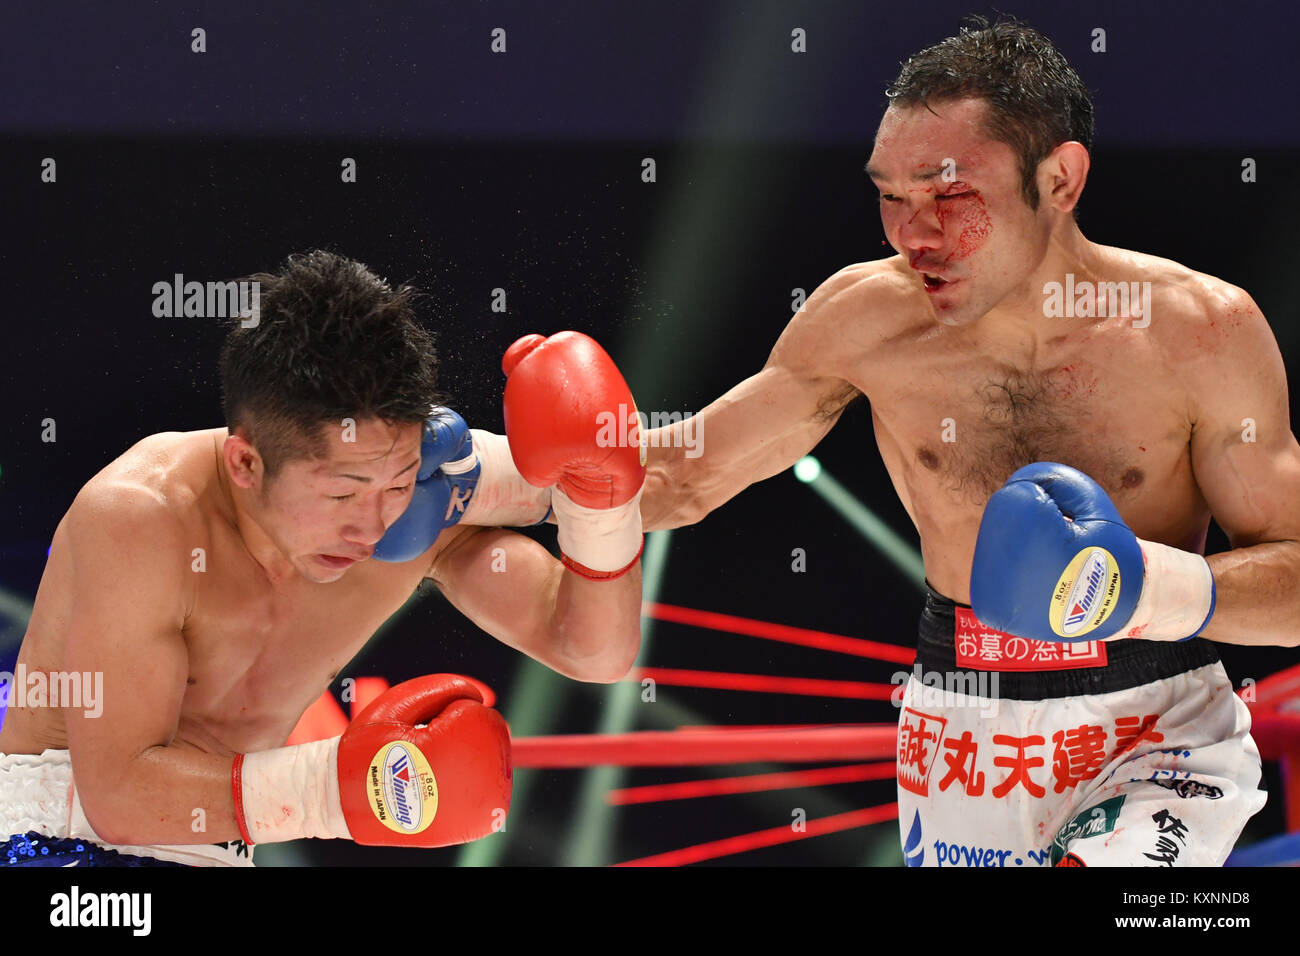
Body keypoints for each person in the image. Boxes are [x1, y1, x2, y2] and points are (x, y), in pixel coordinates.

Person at [638, 17, 1299, 866]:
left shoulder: (1201, 333)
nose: (913, 234)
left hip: (1157, 730)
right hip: (964, 730)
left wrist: (1147, 586)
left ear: (1059, 180)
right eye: (891, 196)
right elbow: (682, 479)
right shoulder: (862, 320)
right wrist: (477, 471)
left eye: (950, 196)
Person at [0, 251, 646, 866]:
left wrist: (599, 509)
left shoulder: (417, 516)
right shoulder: (143, 516)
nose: (373, 527)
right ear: (246, 463)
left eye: (395, 485)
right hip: (57, 843)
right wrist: (337, 793)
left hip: (224, 846)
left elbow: (593, 651)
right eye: (341, 493)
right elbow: (120, 799)